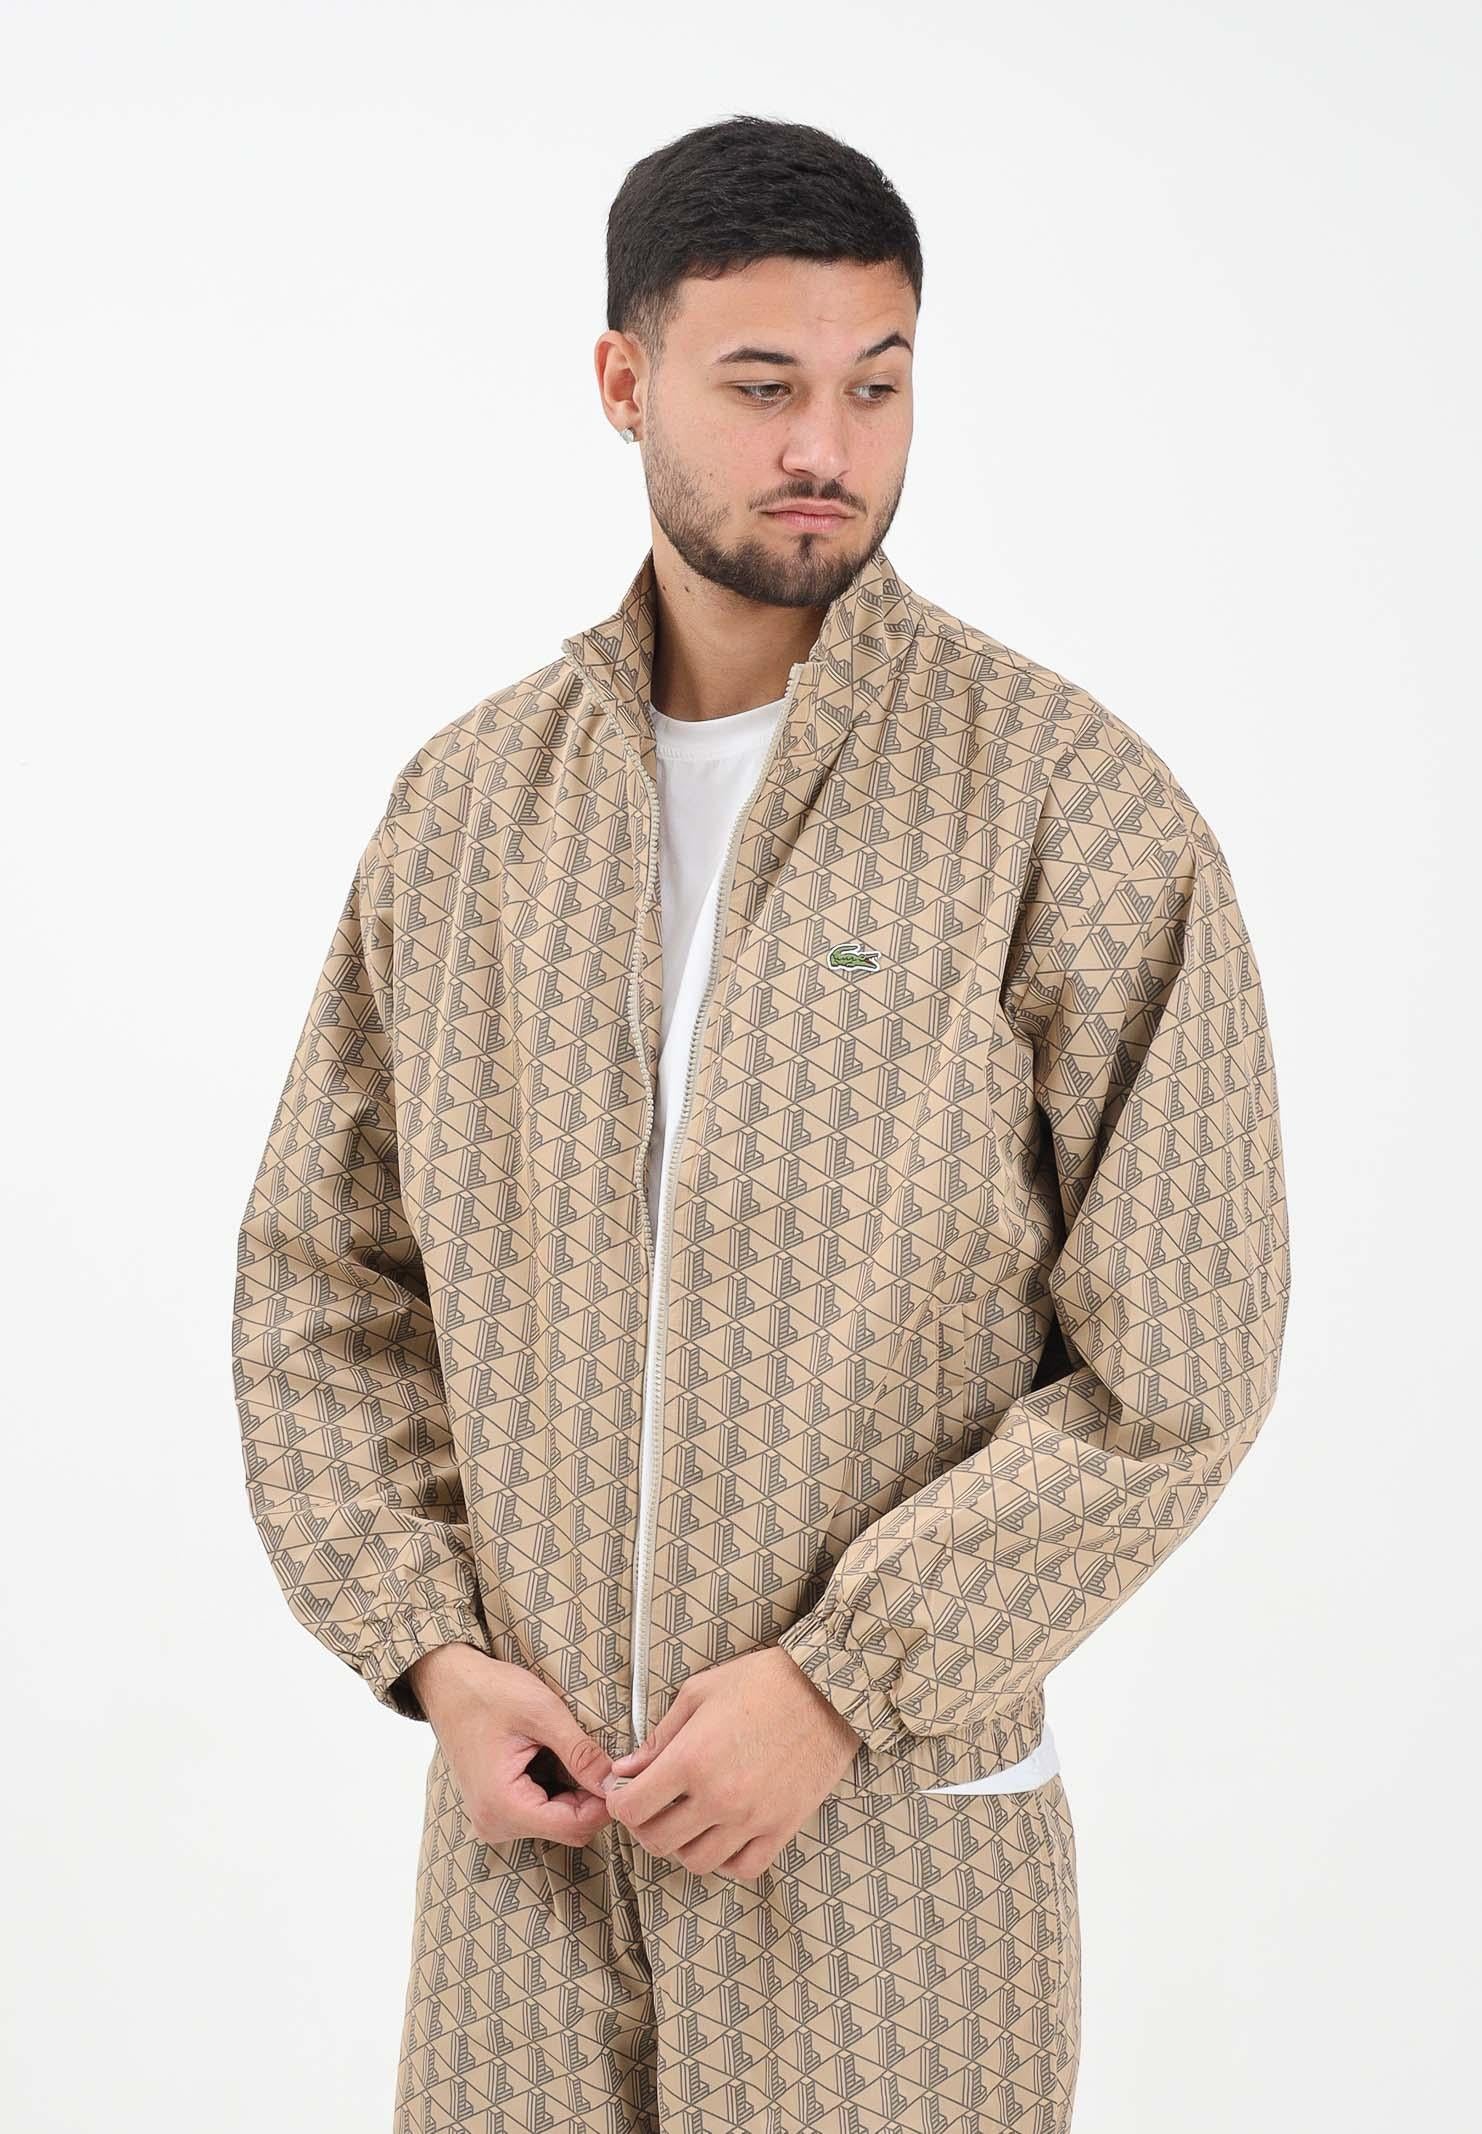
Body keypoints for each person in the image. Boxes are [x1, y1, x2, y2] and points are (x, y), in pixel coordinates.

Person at [232, 113, 1290, 2134]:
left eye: (876, 385)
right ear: (622, 380)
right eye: (762, 385)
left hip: (890, 1874)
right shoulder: (467, 815)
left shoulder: (1066, 807)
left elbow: (1181, 1356)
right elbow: (321, 1284)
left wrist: (842, 1677)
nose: (827, 444)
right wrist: (432, 1651)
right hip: (530, 1886)